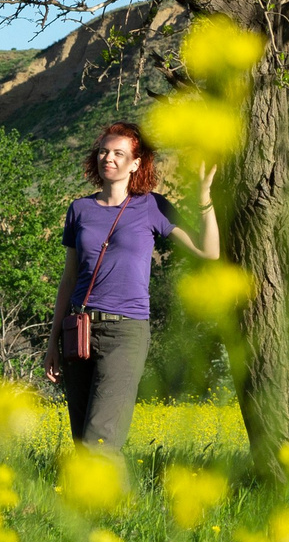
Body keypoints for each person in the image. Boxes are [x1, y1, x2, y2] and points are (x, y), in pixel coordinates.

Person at [45, 121, 221, 451]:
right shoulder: (79, 210)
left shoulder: (152, 206)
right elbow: (68, 280)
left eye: (118, 153)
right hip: (79, 329)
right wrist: (53, 342)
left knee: (102, 435)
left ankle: (100, 502)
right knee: (83, 438)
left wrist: (203, 198)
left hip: (125, 332)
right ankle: (107, 502)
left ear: (136, 164)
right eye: (103, 151)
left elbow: (208, 251)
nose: (108, 158)